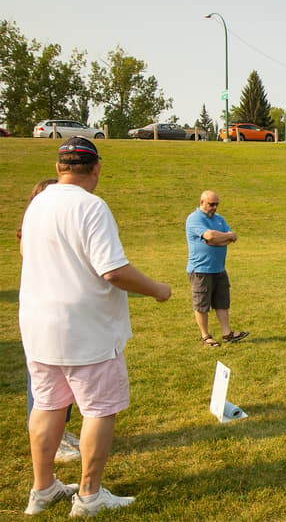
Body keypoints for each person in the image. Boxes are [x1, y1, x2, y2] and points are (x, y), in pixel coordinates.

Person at [19, 137, 172, 516]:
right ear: (96, 168)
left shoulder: (38, 203)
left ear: (59, 167)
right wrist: (157, 289)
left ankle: (42, 489)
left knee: (47, 405)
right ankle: (89, 494)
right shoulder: (91, 207)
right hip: (85, 329)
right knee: (99, 409)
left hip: (38, 325)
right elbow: (113, 270)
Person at [18, 179, 81, 464]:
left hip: (63, 313)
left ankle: (60, 432)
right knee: (43, 387)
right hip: (44, 315)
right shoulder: (34, 230)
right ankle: (49, 442)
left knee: (62, 385)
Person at [186, 191, 249, 347]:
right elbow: (210, 237)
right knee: (202, 304)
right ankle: (206, 336)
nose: (214, 207)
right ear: (202, 202)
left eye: (216, 204)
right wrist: (221, 237)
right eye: (211, 204)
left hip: (219, 268)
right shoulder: (194, 219)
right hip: (200, 269)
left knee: (222, 302)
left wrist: (219, 238)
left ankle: (227, 334)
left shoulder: (219, 219)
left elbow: (232, 237)